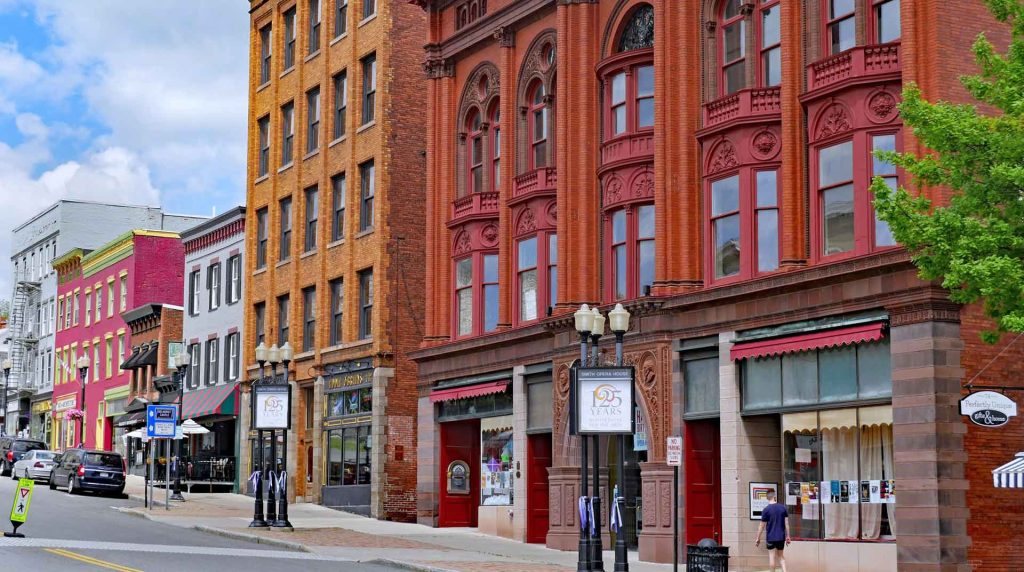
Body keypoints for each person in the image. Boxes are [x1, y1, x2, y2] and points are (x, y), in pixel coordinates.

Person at [755, 492, 791, 572]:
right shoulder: (783, 508)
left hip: (770, 537)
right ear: (774, 497)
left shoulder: (766, 510)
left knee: (772, 557)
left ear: (767, 498)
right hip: (781, 537)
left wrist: (758, 538)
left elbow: (761, 526)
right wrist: (788, 536)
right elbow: (787, 524)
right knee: (781, 557)